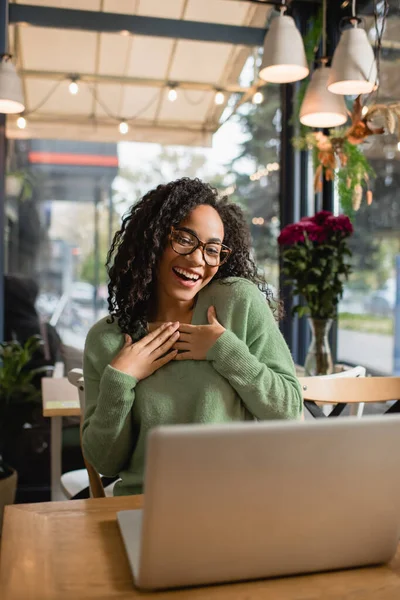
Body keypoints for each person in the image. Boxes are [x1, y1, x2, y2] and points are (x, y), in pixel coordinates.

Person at [82, 178, 303, 496]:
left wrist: (225, 350)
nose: (199, 259)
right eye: (184, 239)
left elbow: (289, 410)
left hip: (236, 502)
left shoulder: (236, 302)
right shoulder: (108, 338)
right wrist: (119, 379)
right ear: (154, 238)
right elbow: (105, 462)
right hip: (146, 504)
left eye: (212, 249)